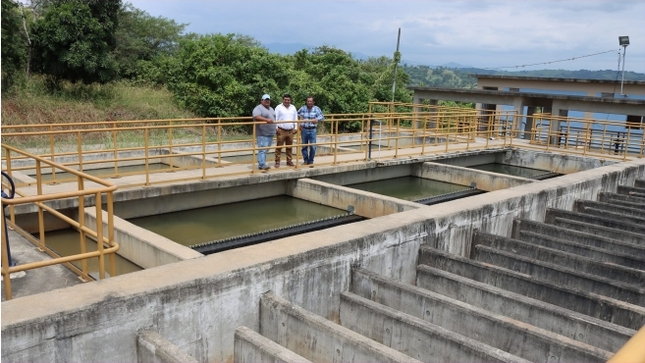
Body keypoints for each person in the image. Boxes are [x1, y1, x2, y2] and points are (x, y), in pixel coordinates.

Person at [297, 96, 324, 166]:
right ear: (306, 102)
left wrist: (317, 119)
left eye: (310, 101)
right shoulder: (303, 108)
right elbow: (296, 115)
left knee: (313, 146)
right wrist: (300, 124)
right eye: (308, 101)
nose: (309, 102)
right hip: (304, 130)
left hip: (312, 130)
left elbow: (322, 116)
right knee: (304, 146)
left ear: (313, 102)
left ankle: (311, 160)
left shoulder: (316, 109)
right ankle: (305, 160)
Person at [252, 94, 276, 171]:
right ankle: (262, 165)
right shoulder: (258, 108)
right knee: (262, 149)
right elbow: (256, 116)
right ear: (261, 100)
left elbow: (274, 118)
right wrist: (266, 120)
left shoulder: (271, 108)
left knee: (266, 149)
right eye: (265, 100)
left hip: (270, 133)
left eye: (268, 100)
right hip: (262, 133)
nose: (267, 101)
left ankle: (262, 162)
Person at [274, 94, 298, 168]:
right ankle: (277, 161)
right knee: (279, 147)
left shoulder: (293, 107)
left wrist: (296, 127)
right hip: (281, 130)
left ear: (290, 100)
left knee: (289, 147)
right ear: (283, 100)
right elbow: (275, 117)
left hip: (290, 131)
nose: (287, 101)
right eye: (285, 99)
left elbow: (295, 118)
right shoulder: (279, 107)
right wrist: (276, 127)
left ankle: (289, 161)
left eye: (288, 100)